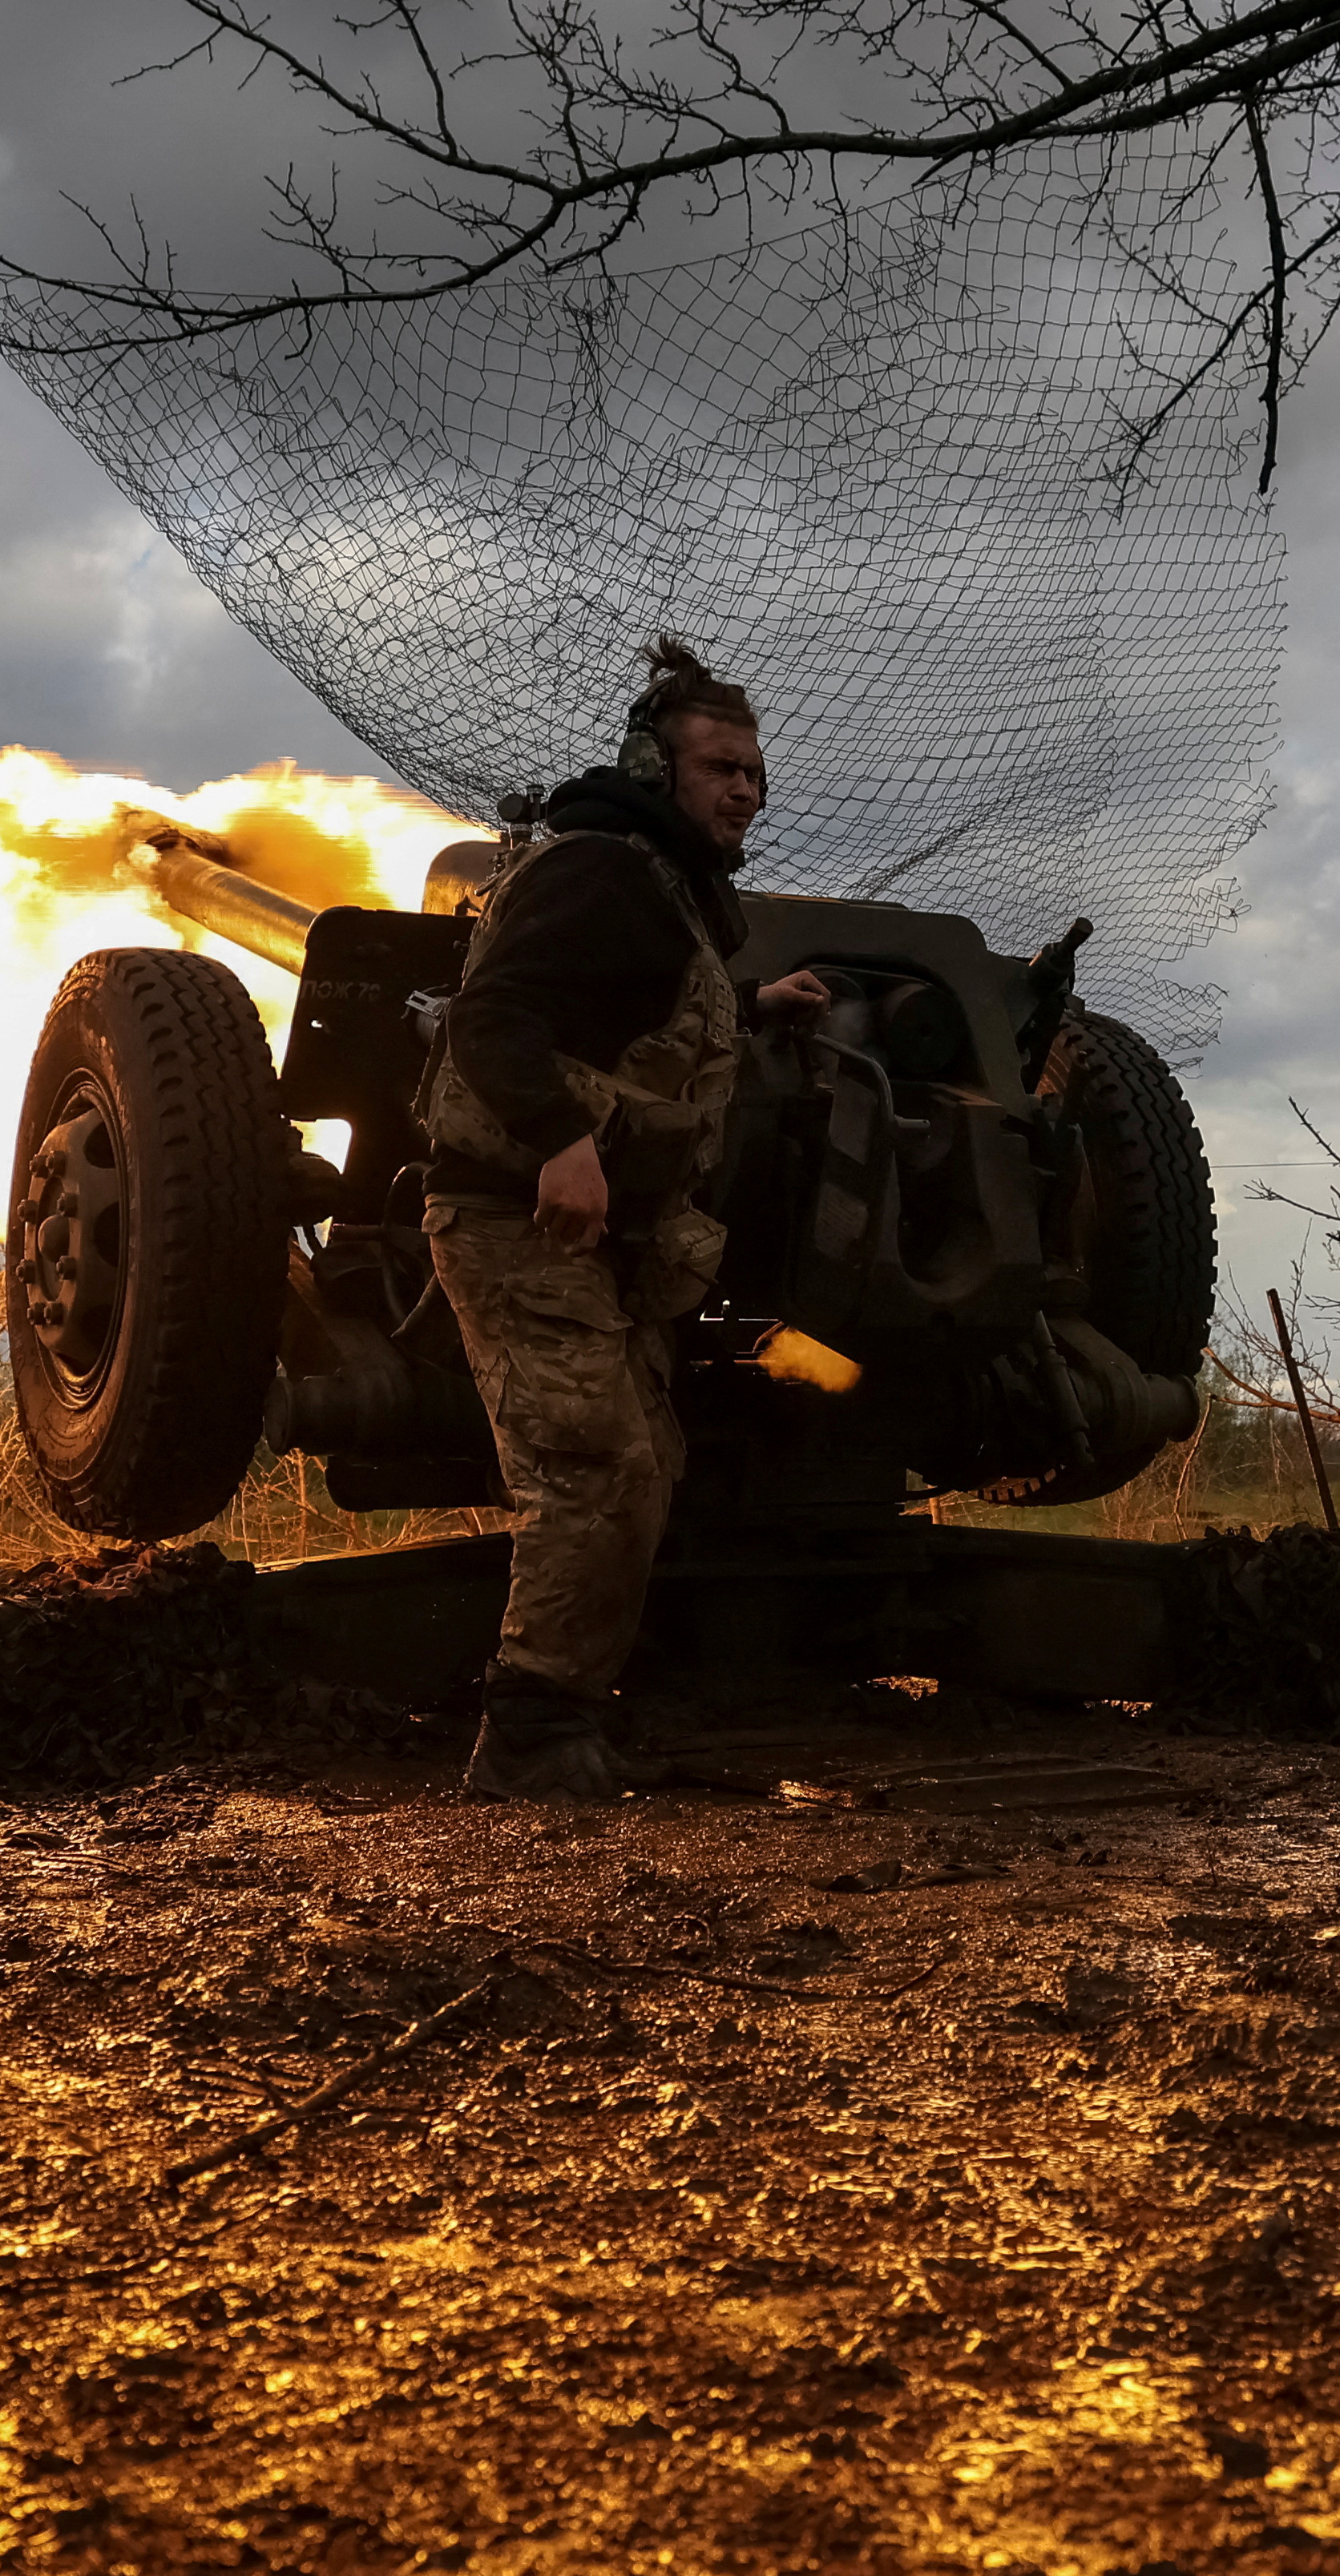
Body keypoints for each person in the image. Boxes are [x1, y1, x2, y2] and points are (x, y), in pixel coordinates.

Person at [418, 638, 830, 1802]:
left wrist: (752, 1006)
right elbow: (490, 1019)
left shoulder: (664, 892)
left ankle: (567, 1718)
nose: (744, 789)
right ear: (658, 768)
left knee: (643, 1462)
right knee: (592, 1464)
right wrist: (560, 1142)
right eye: (719, 767)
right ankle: (530, 1741)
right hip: (516, 1217)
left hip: (603, 1247)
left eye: (754, 772)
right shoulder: (595, 868)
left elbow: (625, 1020)